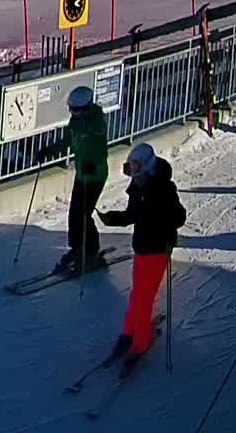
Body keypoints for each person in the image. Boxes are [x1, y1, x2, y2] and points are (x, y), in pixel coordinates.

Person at [96, 142, 185, 365]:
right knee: (138, 293)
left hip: (158, 249)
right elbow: (131, 215)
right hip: (142, 247)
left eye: (135, 167)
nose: (132, 172)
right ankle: (129, 331)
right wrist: (112, 218)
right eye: (131, 166)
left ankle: (141, 341)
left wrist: (166, 221)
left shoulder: (164, 188)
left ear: (146, 167)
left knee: (145, 297)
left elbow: (179, 217)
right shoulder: (137, 186)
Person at [55, 85, 110, 277]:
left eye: (76, 110)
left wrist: (91, 164)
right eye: (71, 110)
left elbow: (100, 149)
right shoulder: (76, 121)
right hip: (81, 174)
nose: (73, 113)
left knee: (84, 213)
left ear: (86, 108)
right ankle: (77, 247)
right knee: (74, 213)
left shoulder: (96, 123)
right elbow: (69, 141)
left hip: (95, 175)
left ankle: (91, 250)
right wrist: (50, 150)